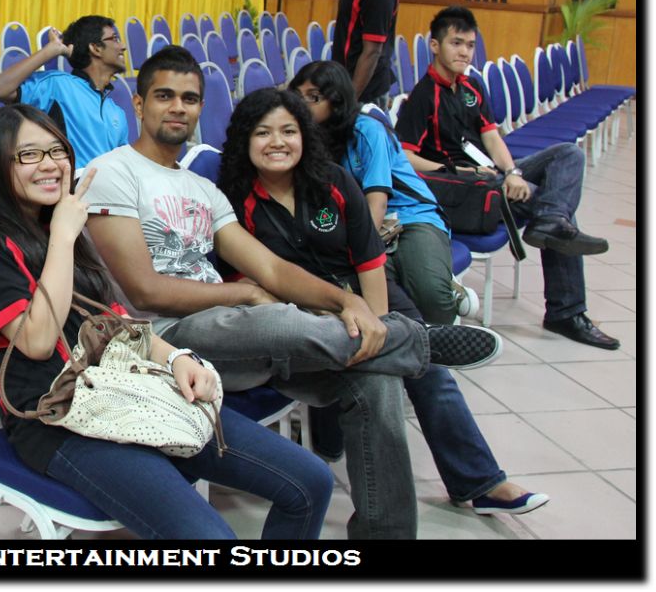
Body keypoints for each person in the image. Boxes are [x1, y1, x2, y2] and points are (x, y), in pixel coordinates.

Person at [81, 46, 502, 538]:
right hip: (164, 343)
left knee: (376, 379)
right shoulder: (113, 172)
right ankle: (415, 341)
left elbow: (271, 269)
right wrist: (245, 295)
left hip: (242, 346)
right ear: (138, 103)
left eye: (189, 99)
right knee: (275, 314)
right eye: (164, 96)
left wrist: (346, 301)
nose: (178, 107)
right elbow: (144, 290)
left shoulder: (203, 190)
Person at [0, 103, 334, 539]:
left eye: (57, 151)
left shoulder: (53, 223)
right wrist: (64, 238)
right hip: (56, 419)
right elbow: (37, 341)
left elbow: (114, 318)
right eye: (30, 155)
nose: (51, 165)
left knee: (311, 482)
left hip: (126, 386)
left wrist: (177, 358)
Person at [220, 86, 548, 517]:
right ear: (245, 140)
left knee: (413, 364)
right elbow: (256, 281)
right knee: (416, 359)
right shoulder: (233, 199)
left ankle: (477, 479)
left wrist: (377, 323)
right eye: (263, 132)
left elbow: (369, 258)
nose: (277, 142)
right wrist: (343, 315)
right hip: (300, 310)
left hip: (365, 288)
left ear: (305, 135)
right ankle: (422, 351)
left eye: (289, 131)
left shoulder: (332, 180)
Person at [396, 6, 618, 350]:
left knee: (567, 155)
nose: (464, 52)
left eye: (470, 45)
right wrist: (455, 170)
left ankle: (551, 220)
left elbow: (491, 137)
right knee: (556, 212)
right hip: (460, 192)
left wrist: (512, 172)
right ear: (435, 46)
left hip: (490, 178)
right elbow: (405, 158)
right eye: (456, 43)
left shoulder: (471, 86)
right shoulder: (423, 97)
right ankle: (565, 310)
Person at [289, 60, 474, 325]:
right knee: (374, 294)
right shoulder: (304, 138)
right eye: (298, 96)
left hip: (410, 215)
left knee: (431, 295)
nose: (302, 105)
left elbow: (377, 203)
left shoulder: (366, 129)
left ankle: (445, 294)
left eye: (314, 97)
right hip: (360, 226)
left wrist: (362, 255)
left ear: (336, 100)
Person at [0, 15, 129, 162]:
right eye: (115, 39)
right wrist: (51, 50)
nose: (123, 46)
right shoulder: (57, 85)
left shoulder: (117, 111)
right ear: (95, 48)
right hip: (69, 176)